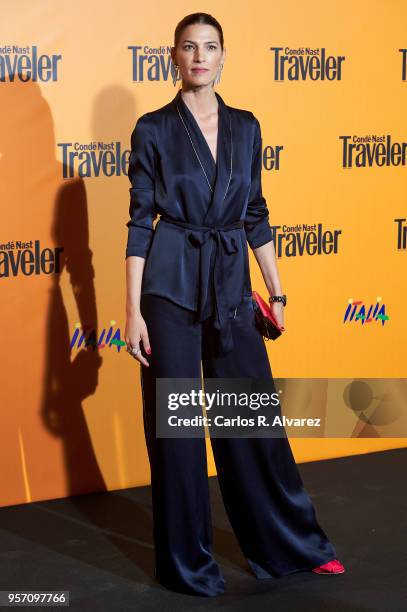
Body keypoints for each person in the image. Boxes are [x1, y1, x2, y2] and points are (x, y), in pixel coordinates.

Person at [124, 12, 345, 597]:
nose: (200, 56)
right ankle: (187, 565)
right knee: (178, 430)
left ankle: (291, 546)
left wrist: (276, 290)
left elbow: (256, 214)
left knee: (248, 417)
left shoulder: (247, 127)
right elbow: (140, 223)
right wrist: (132, 311)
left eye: (211, 47)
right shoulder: (152, 128)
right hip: (168, 285)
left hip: (229, 283)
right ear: (172, 56)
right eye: (189, 47)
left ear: (224, 57)